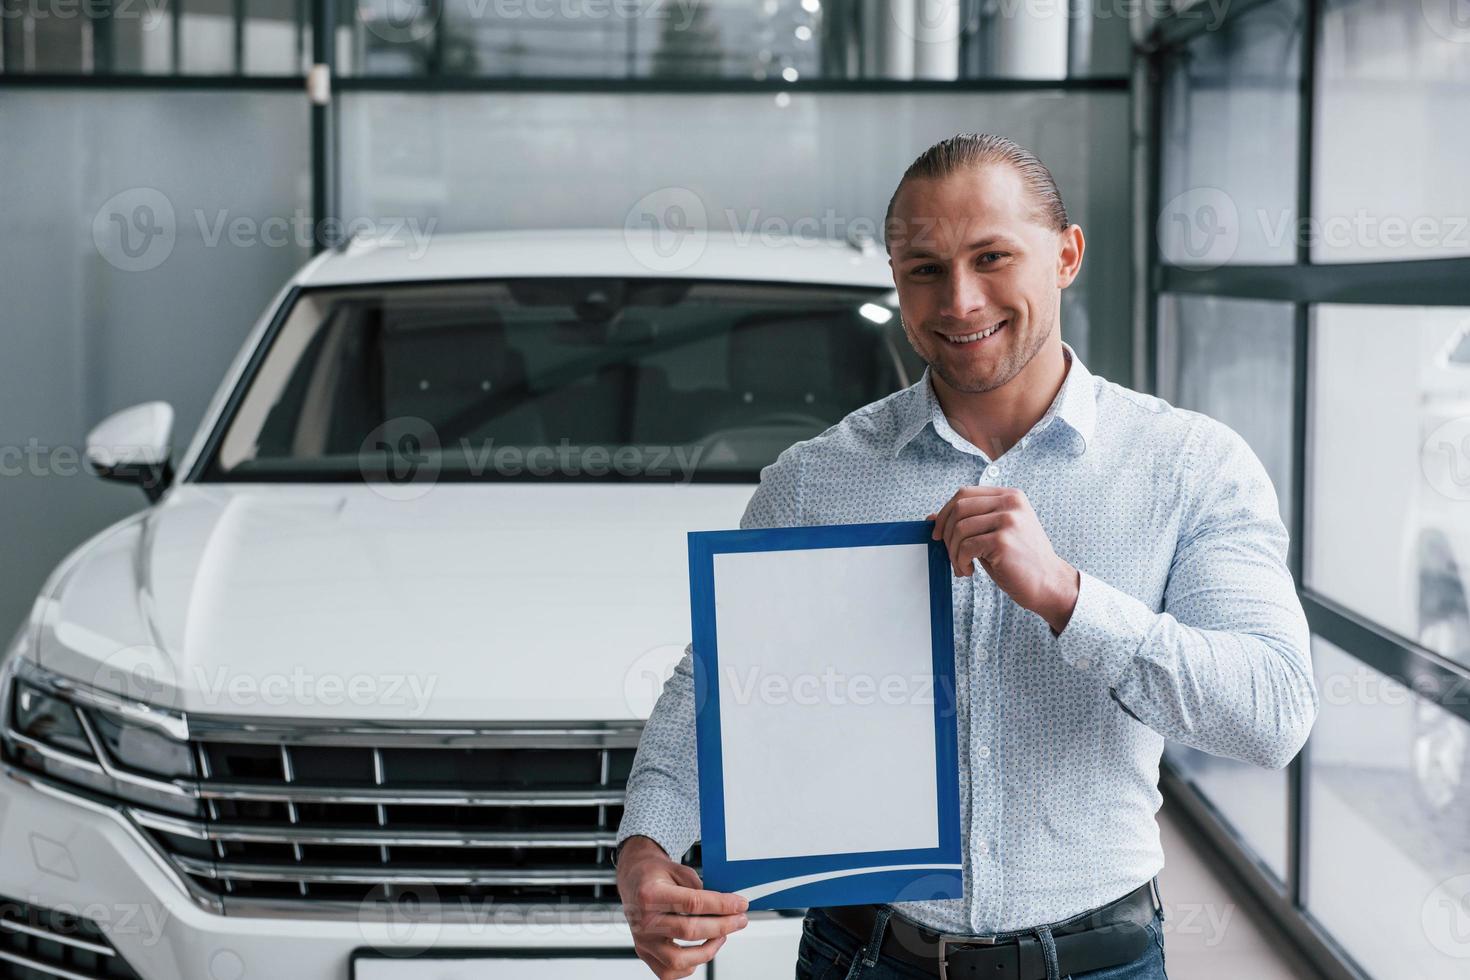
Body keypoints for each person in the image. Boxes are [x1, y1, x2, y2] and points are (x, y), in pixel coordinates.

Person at [612, 133, 1318, 980]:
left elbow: (1273, 712)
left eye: (992, 257)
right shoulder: (817, 481)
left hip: (1099, 961)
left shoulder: (1190, 466)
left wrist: (1069, 598)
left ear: (1066, 255)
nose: (959, 299)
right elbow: (713, 687)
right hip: (862, 956)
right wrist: (646, 845)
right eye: (924, 270)